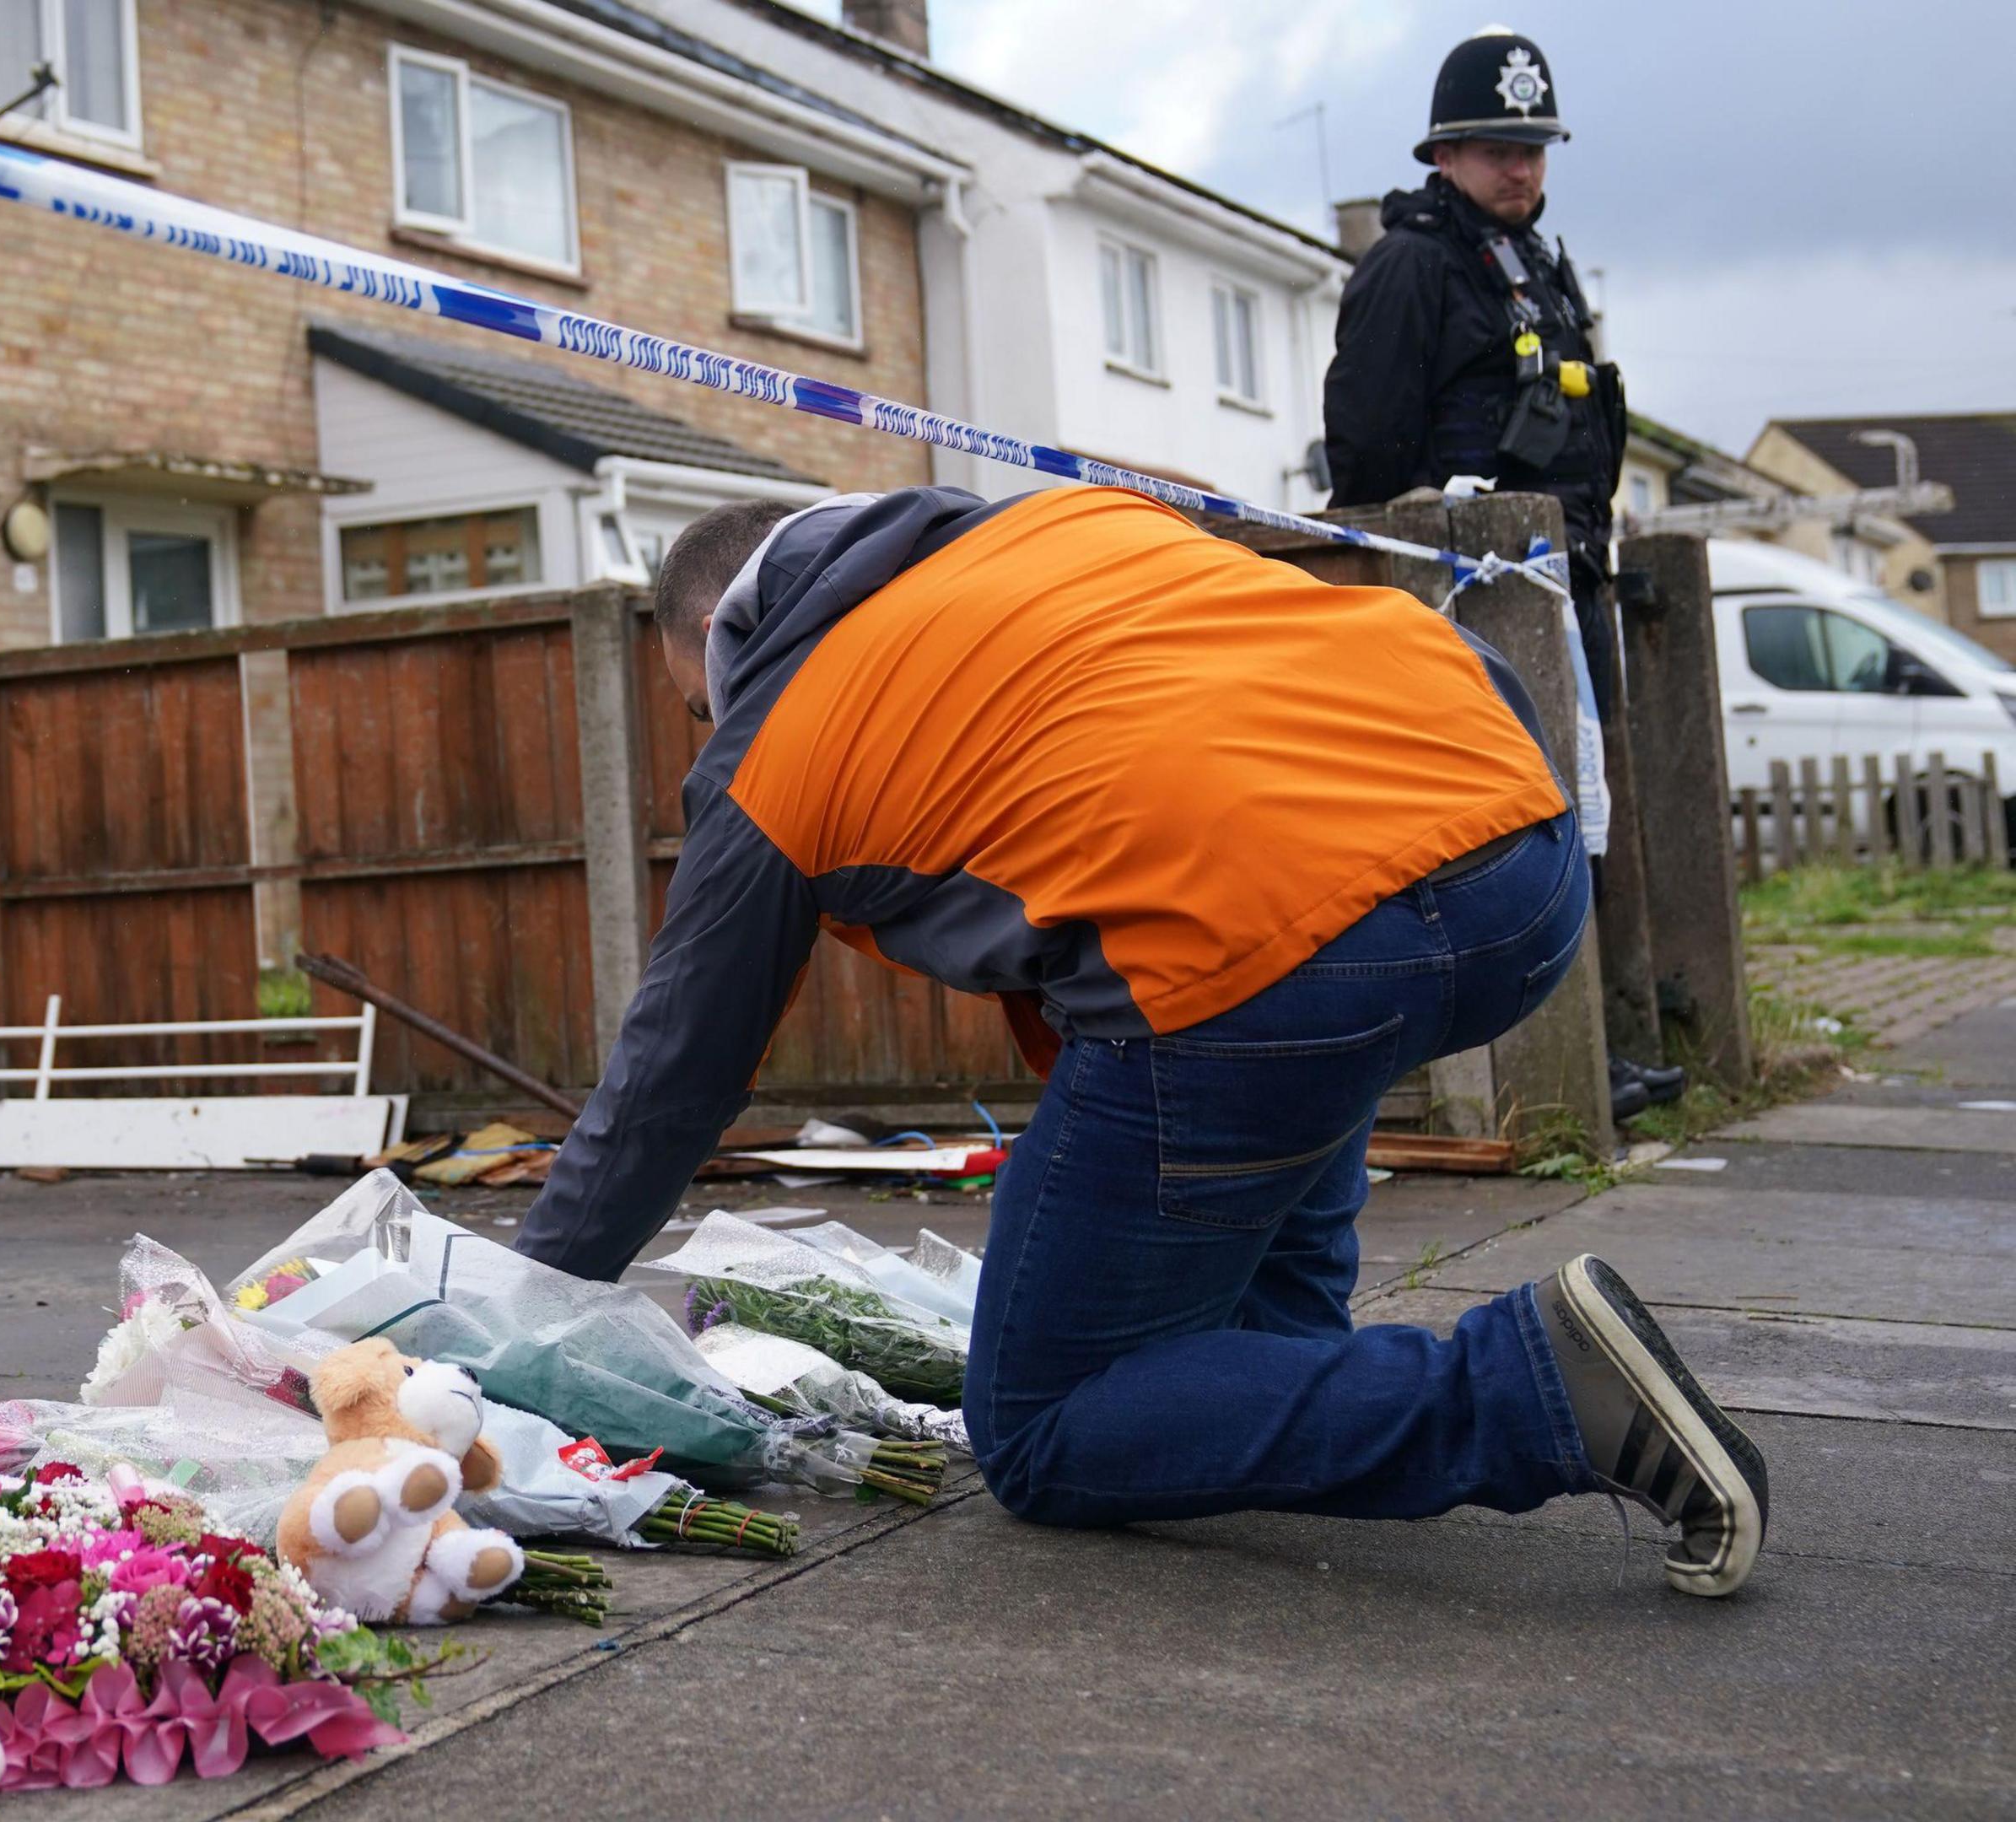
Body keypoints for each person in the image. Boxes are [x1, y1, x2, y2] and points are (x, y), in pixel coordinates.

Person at [513, 485, 1768, 1596]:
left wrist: (510, 1320)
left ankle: (1532, 1392)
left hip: (1279, 955)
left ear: (719, 644)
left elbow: (674, 1074)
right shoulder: (1068, 529)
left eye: (694, 707)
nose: (706, 731)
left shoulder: (775, 744)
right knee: (1256, 1301)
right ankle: (1280, 1392)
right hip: (1523, 866)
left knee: (1045, 1425)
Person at [1321, 25, 1683, 1119]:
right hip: (1473, 600)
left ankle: (1582, 1047)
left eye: (1531, 148)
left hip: (1566, 577)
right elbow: (1368, 458)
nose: (1518, 168)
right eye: (1493, 149)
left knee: (1578, 817)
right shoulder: (1411, 268)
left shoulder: (1531, 264)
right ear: (1443, 154)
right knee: (1500, 831)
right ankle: (1536, 1064)